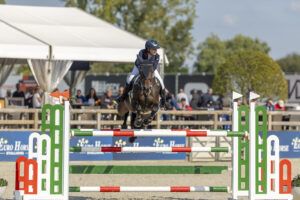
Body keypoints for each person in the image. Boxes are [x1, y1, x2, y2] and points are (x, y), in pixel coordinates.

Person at [116, 39, 166, 107]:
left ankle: (163, 100)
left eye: (156, 49)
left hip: (151, 70)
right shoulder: (142, 52)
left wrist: (148, 72)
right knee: (130, 79)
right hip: (138, 68)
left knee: (161, 82)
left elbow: (154, 67)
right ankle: (123, 97)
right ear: (148, 48)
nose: (155, 50)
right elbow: (139, 63)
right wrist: (143, 71)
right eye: (153, 49)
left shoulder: (157, 56)